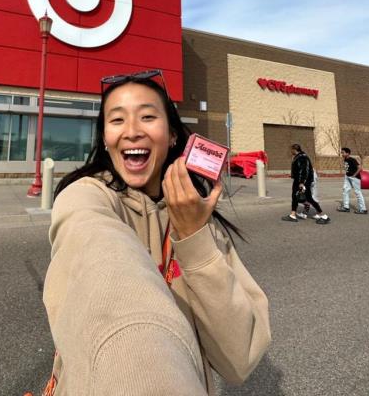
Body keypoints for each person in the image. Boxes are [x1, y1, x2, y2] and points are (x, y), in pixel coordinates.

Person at [41, 70, 271, 396]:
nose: (132, 132)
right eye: (117, 120)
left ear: (173, 135)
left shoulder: (201, 221)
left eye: (147, 117)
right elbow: (98, 251)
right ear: (105, 139)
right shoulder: (86, 196)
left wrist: (194, 238)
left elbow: (239, 359)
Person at [282, 144, 330, 224]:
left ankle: (323, 215)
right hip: (299, 180)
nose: (290, 151)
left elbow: (304, 170)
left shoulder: (302, 157)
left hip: (302, 181)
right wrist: (293, 175)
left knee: (309, 198)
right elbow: (299, 169)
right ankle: (293, 215)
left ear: (294, 149)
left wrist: (302, 182)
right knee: (295, 197)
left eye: (291, 150)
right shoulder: (299, 157)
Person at [337, 147, 368, 214]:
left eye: (343, 152)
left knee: (357, 192)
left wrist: (354, 175)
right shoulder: (345, 159)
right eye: (341, 152)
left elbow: (360, 168)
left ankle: (363, 209)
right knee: (345, 190)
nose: (342, 154)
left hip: (355, 178)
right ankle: (346, 207)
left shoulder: (352, 160)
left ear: (348, 153)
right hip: (347, 177)